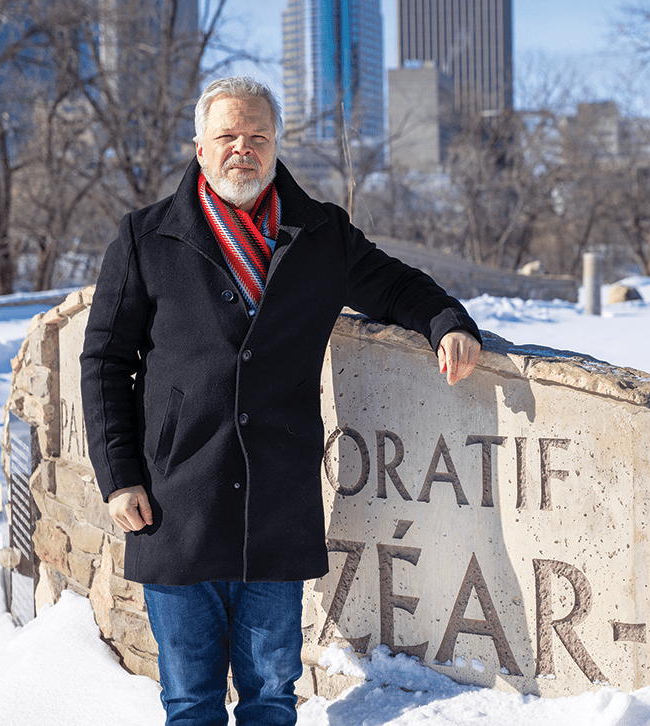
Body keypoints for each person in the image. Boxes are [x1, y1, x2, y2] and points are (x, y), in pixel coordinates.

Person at [79, 76, 482, 726]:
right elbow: (104, 363)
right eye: (228, 136)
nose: (243, 148)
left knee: (271, 698)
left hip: (277, 503)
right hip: (174, 503)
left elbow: (396, 286)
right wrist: (119, 475)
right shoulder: (144, 238)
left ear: (274, 145)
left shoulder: (319, 233)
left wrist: (448, 323)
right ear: (200, 146)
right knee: (190, 702)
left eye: (256, 137)